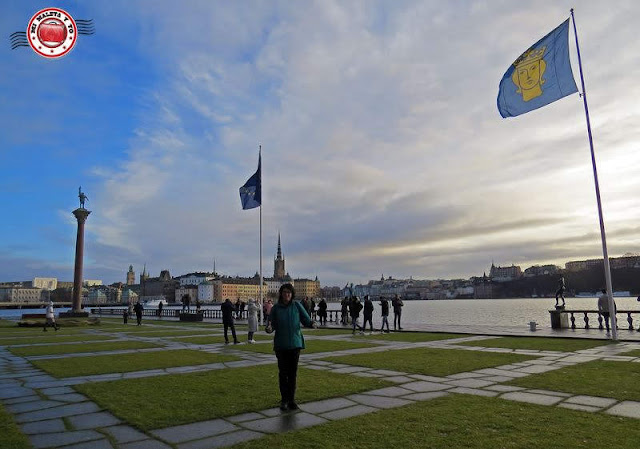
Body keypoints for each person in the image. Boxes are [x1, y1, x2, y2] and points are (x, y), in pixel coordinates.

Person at [266, 283, 315, 411]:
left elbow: (306, 320)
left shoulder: (297, 306)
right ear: (281, 294)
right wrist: (269, 328)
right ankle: (284, 400)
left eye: (289, 292)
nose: (287, 294)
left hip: (295, 344)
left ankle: (291, 400)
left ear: (292, 294)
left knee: (292, 374)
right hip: (281, 345)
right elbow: (271, 324)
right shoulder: (276, 308)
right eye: (284, 292)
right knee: (283, 373)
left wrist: (311, 323)